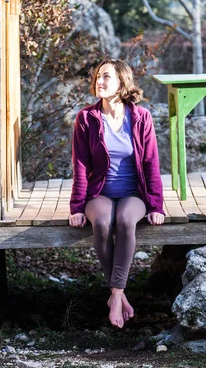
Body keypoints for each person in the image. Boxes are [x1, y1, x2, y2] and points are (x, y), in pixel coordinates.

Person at [69, 59, 165, 328]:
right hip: (99, 192)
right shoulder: (86, 118)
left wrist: (156, 206)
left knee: (125, 221)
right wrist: (77, 207)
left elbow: (151, 163)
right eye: (99, 76)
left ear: (122, 82)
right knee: (101, 222)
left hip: (134, 193)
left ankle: (115, 294)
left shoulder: (140, 117)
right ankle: (119, 294)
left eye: (107, 77)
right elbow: (80, 166)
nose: (100, 81)